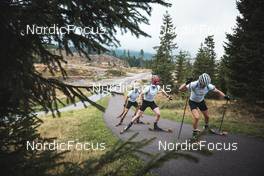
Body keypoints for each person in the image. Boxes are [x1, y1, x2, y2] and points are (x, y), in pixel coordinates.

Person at [179, 73, 230, 139]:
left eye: (205, 85)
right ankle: (194, 132)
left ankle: (206, 128)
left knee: (207, 116)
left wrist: (225, 96)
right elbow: (180, 89)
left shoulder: (209, 86)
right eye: (203, 85)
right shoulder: (194, 84)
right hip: (193, 102)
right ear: (200, 81)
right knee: (197, 117)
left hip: (201, 101)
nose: (204, 86)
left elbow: (218, 91)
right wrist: (187, 83)